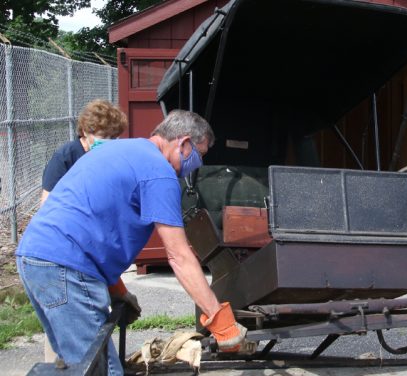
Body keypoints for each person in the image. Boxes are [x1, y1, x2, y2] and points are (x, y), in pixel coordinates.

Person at [16, 110, 248, 375]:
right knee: (100, 370)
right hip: (65, 265)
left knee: (74, 366)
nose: (196, 163)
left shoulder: (123, 151)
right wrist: (220, 320)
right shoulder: (159, 173)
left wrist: (118, 289)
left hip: (35, 257)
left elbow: (94, 221)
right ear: (184, 143)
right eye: (199, 154)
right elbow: (179, 257)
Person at [39, 99, 131, 363]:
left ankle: (96, 363)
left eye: (115, 137)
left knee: (93, 318)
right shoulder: (68, 156)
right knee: (62, 322)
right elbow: (48, 205)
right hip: (63, 251)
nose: (109, 142)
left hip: (93, 253)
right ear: (85, 133)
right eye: (103, 137)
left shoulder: (110, 158)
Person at [41, 99, 128, 203]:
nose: (107, 141)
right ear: (85, 131)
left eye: (112, 137)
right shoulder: (65, 156)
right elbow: (47, 201)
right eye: (102, 136)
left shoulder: (114, 155)